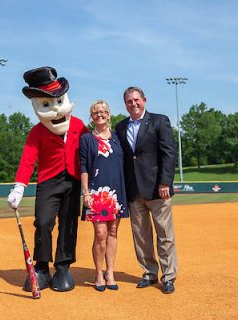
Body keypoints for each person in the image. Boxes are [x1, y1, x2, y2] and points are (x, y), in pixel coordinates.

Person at [7, 66, 88, 292]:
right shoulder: (38, 132)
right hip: (48, 182)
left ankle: (63, 267)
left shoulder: (80, 126)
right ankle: (42, 267)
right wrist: (18, 187)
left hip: (72, 180)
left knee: (69, 225)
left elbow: (91, 151)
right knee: (43, 223)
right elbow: (27, 160)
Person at [115, 86, 178, 294]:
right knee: (141, 236)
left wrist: (165, 183)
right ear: (125, 104)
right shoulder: (121, 127)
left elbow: (169, 153)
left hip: (157, 189)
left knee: (164, 235)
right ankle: (149, 273)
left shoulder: (160, 121)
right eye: (129, 101)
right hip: (134, 191)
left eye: (136, 100)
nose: (133, 104)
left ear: (144, 100)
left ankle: (168, 276)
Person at [79, 100, 129, 291]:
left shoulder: (117, 138)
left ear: (108, 115)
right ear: (91, 117)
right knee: (100, 233)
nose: (100, 114)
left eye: (103, 111)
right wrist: (85, 192)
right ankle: (99, 273)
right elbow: (83, 166)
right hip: (96, 192)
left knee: (113, 232)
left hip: (116, 191)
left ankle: (110, 272)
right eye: (96, 112)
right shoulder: (86, 139)